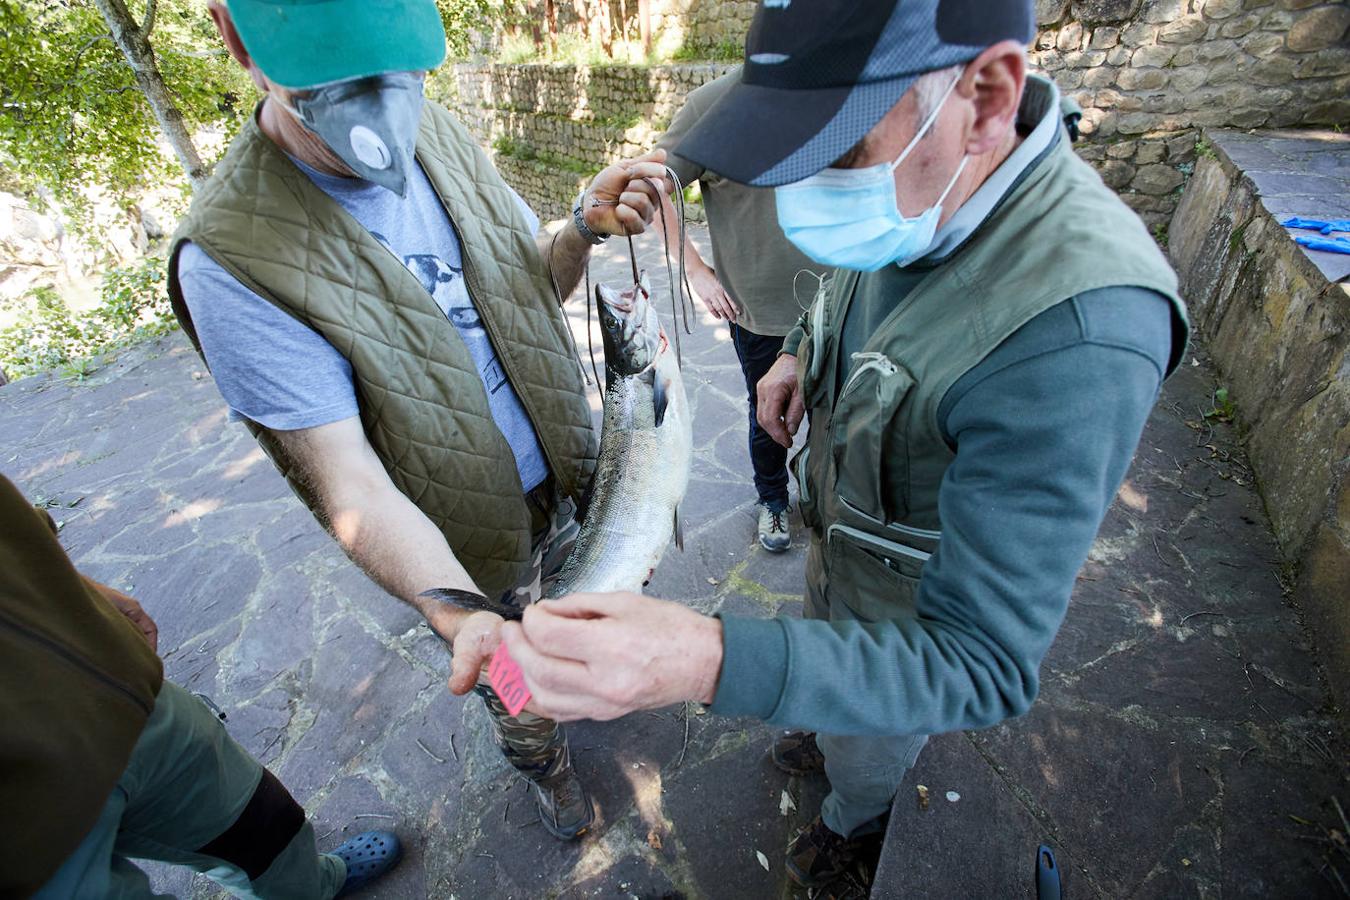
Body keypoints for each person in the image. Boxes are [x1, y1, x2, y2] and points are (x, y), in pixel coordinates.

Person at [498, 0, 1190, 891]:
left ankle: (855, 823)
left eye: (837, 152)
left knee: (869, 753)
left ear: (986, 96)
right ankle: (831, 730)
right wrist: (799, 350)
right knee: (834, 684)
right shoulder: (930, 181)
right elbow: (850, 277)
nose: (801, 196)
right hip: (846, 556)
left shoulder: (1081, 332)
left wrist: (707, 659)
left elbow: (977, 663)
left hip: (912, 626)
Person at [167, 0, 670, 841]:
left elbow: (528, 288)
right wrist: (455, 613)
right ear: (234, 36)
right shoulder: (229, 260)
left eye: (399, 72)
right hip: (462, 546)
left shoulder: (431, 129)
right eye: (339, 79)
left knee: (599, 612)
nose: (382, 110)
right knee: (509, 681)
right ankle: (539, 763)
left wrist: (580, 229)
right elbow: (349, 483)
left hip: (574, 472)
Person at [0, 474, 400, 898]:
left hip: (117, 694)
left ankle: (314, 887)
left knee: (262, 823)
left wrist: (69, 583)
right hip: (24, 834)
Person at [653, 68, 829, 552]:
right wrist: (696, 270)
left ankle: (829, 499)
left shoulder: (832, 85)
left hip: (844, 298)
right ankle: (772, 500)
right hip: (761, 310)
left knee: (844, 415)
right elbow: (653, 187)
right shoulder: (712, 105)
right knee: (769, 416)